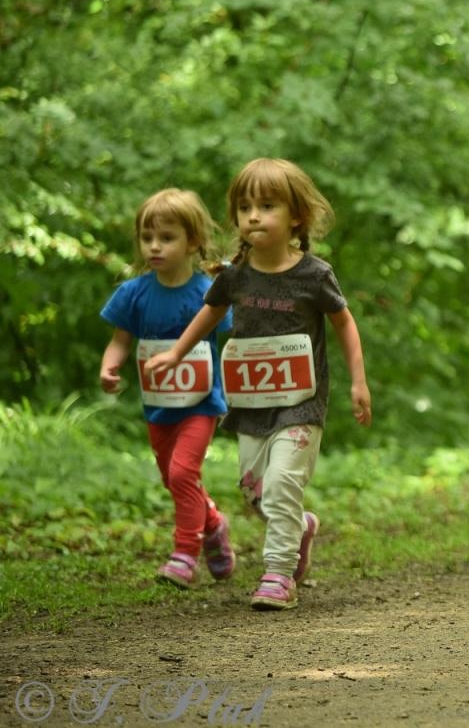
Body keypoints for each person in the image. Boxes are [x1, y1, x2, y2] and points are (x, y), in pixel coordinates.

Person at [145, 158, 371, 610]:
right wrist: (175, 352)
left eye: (266, 205)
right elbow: (209, 314)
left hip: (302, 403)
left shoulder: (314, 275)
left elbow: (344, 323)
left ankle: (278, 573)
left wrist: (358, 382)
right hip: (250, 403)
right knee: (256, 493)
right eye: (244, 206)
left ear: (296, 216)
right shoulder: (234, 276)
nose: (252, 216)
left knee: (285, 479)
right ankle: (299, 526)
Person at [98, 189, 237, 589]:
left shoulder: (207, 293)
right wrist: (110, 365)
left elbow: (228, 340)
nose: (154, 246)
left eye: (167, 237)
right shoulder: (134, 293)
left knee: (182, 473)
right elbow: (121, 339)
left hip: (201, 402)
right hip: (158, 405)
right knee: (173, 478)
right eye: (147, 237)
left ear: (192, 241)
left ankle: (184, 555)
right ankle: (213, 524)